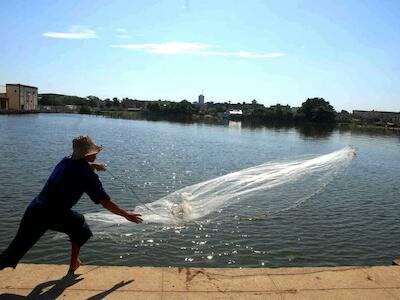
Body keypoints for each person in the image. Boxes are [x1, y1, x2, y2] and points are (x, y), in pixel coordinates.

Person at [0, 135, 142, 272]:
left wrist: (93, 166)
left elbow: (76, 169)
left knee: (13, 252)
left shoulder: (66, 161)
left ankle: (74, 263)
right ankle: (74, 263)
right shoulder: (86, 174)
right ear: (86, 155)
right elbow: (105, 202)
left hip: (35, 209)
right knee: (79, 224)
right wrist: (126, 214)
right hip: (53, 214)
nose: (97, 155)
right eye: (94, 153)